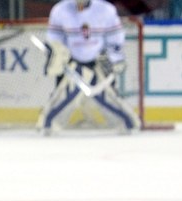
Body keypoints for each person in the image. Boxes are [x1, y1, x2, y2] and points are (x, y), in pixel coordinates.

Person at [37, 0, 140, 133]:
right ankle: (48, 124)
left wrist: (114, 58)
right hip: (71, 63)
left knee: (109, 97)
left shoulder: (105, 10)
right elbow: (54, 39)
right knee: (62, 96)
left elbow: (115, 38)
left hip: (98, 63)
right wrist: (58, 54)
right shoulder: (60, 10)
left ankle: (127, 123)